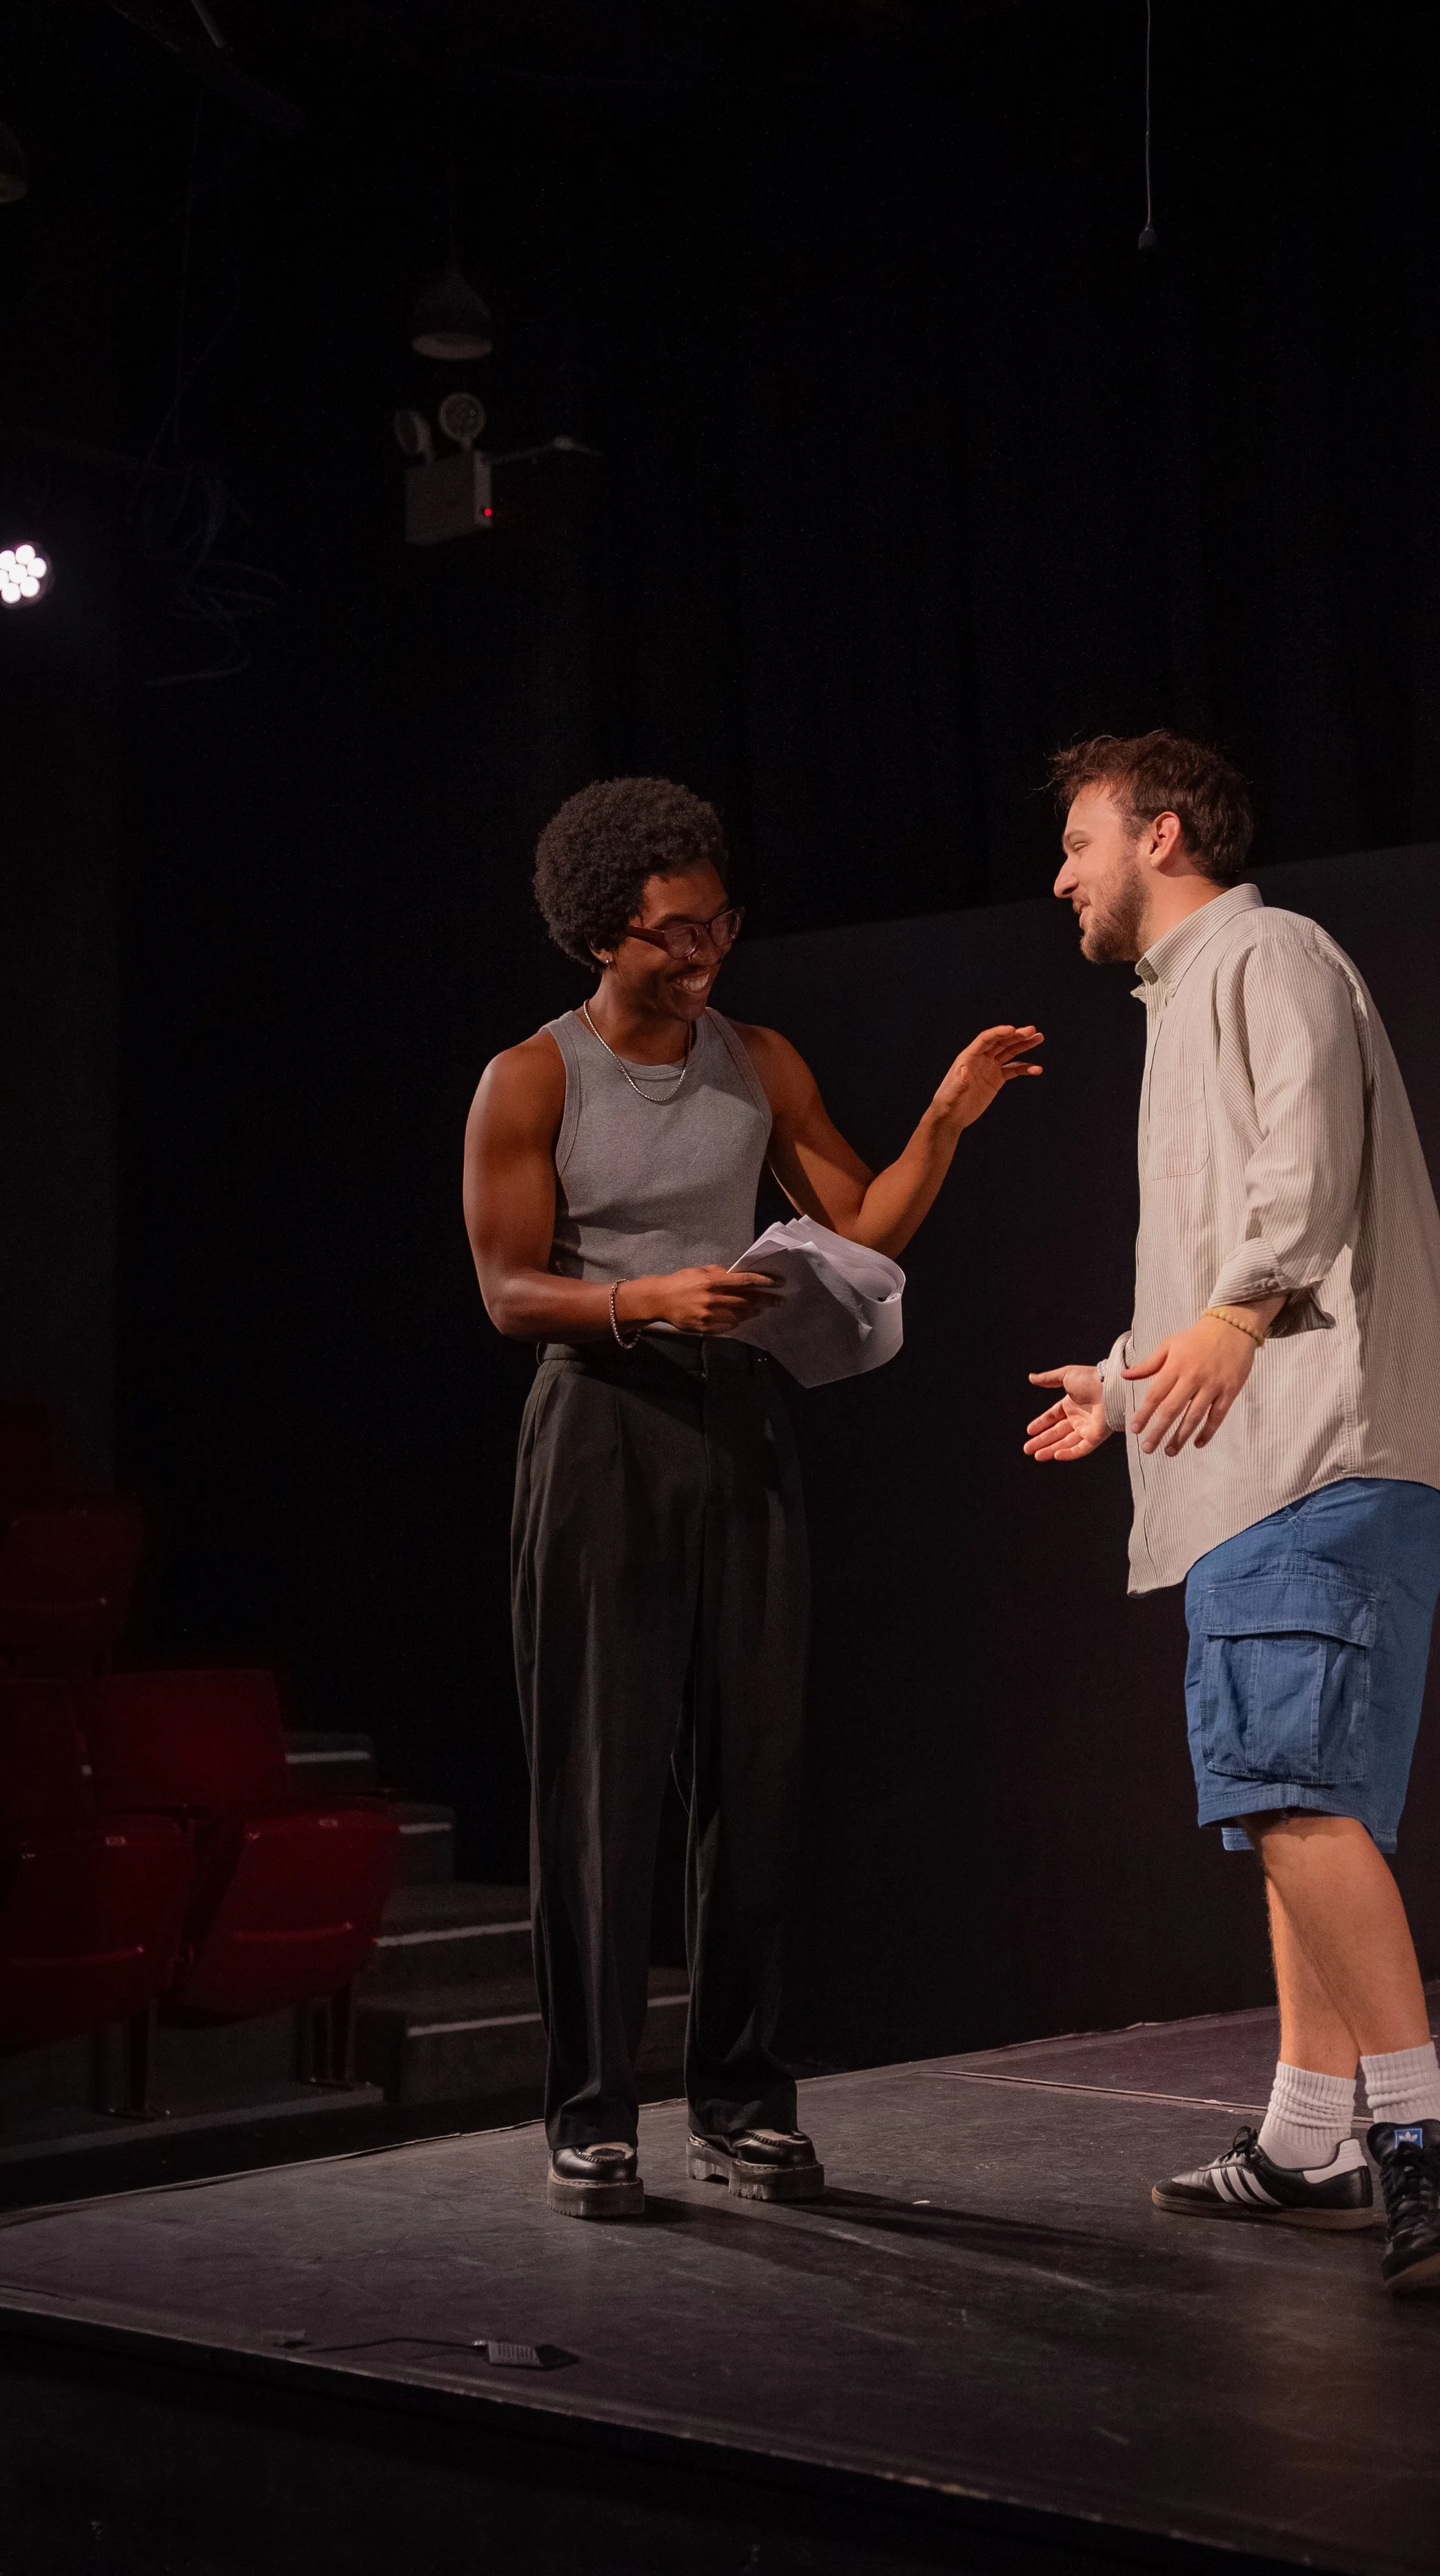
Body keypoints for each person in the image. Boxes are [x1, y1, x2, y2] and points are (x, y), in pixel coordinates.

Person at [464, 775, 1040, 2219]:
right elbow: (503, 1288)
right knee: (598, 1781)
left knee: (755, 1772)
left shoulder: (760, 1058)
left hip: (739, 1425)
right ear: (602, 932)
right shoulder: (530, 1077)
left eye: (718, 920)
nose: (704, 949)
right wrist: (641, 1294)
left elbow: (866, 1228)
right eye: (672, 931)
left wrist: (948, 1115)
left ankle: (739, 2094)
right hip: (599, 1424)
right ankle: (591, 2113)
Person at [1024, 730, 1440, 2293]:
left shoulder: (1261, 948)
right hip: (1266, 1467)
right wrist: (1120, 1374)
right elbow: (1229, 1236)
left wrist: (1230, 1318)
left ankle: (1427, 2124)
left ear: (1160, 833)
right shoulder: (1189, 999)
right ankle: (1310, 2140)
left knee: (1292, 1793)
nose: (1061, 875)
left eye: (1080, 841)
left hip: (1316, 1458)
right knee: (1293, 1806)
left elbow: (1303, 1159)